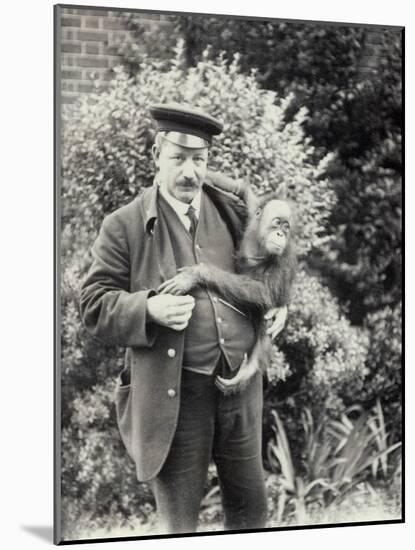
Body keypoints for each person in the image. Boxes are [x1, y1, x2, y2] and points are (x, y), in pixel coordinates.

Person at [79, 103, 287, 534]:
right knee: (179, 528)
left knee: (252, 515)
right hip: (175, 397)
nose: (190, 171)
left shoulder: (230, 210)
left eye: (199, 159)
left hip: (240, 390)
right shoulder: (124, 225)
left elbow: (263, 264)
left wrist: (278, 302)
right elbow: (94, 304)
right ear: (157, 155)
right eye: (178, 158)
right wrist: (149, 308)